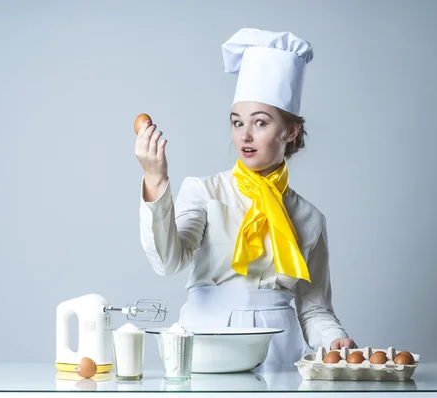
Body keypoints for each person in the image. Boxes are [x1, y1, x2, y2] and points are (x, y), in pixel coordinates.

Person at [134, 28, 356, 365]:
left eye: (261, 123)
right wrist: (155, 178)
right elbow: (168, 262)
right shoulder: (205, 191)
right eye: (237, 123)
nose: (245, 135)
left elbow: (314, 309)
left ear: (290, 130)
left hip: (279, 353)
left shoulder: (310, 218)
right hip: (206, 346)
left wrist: (335, 339)